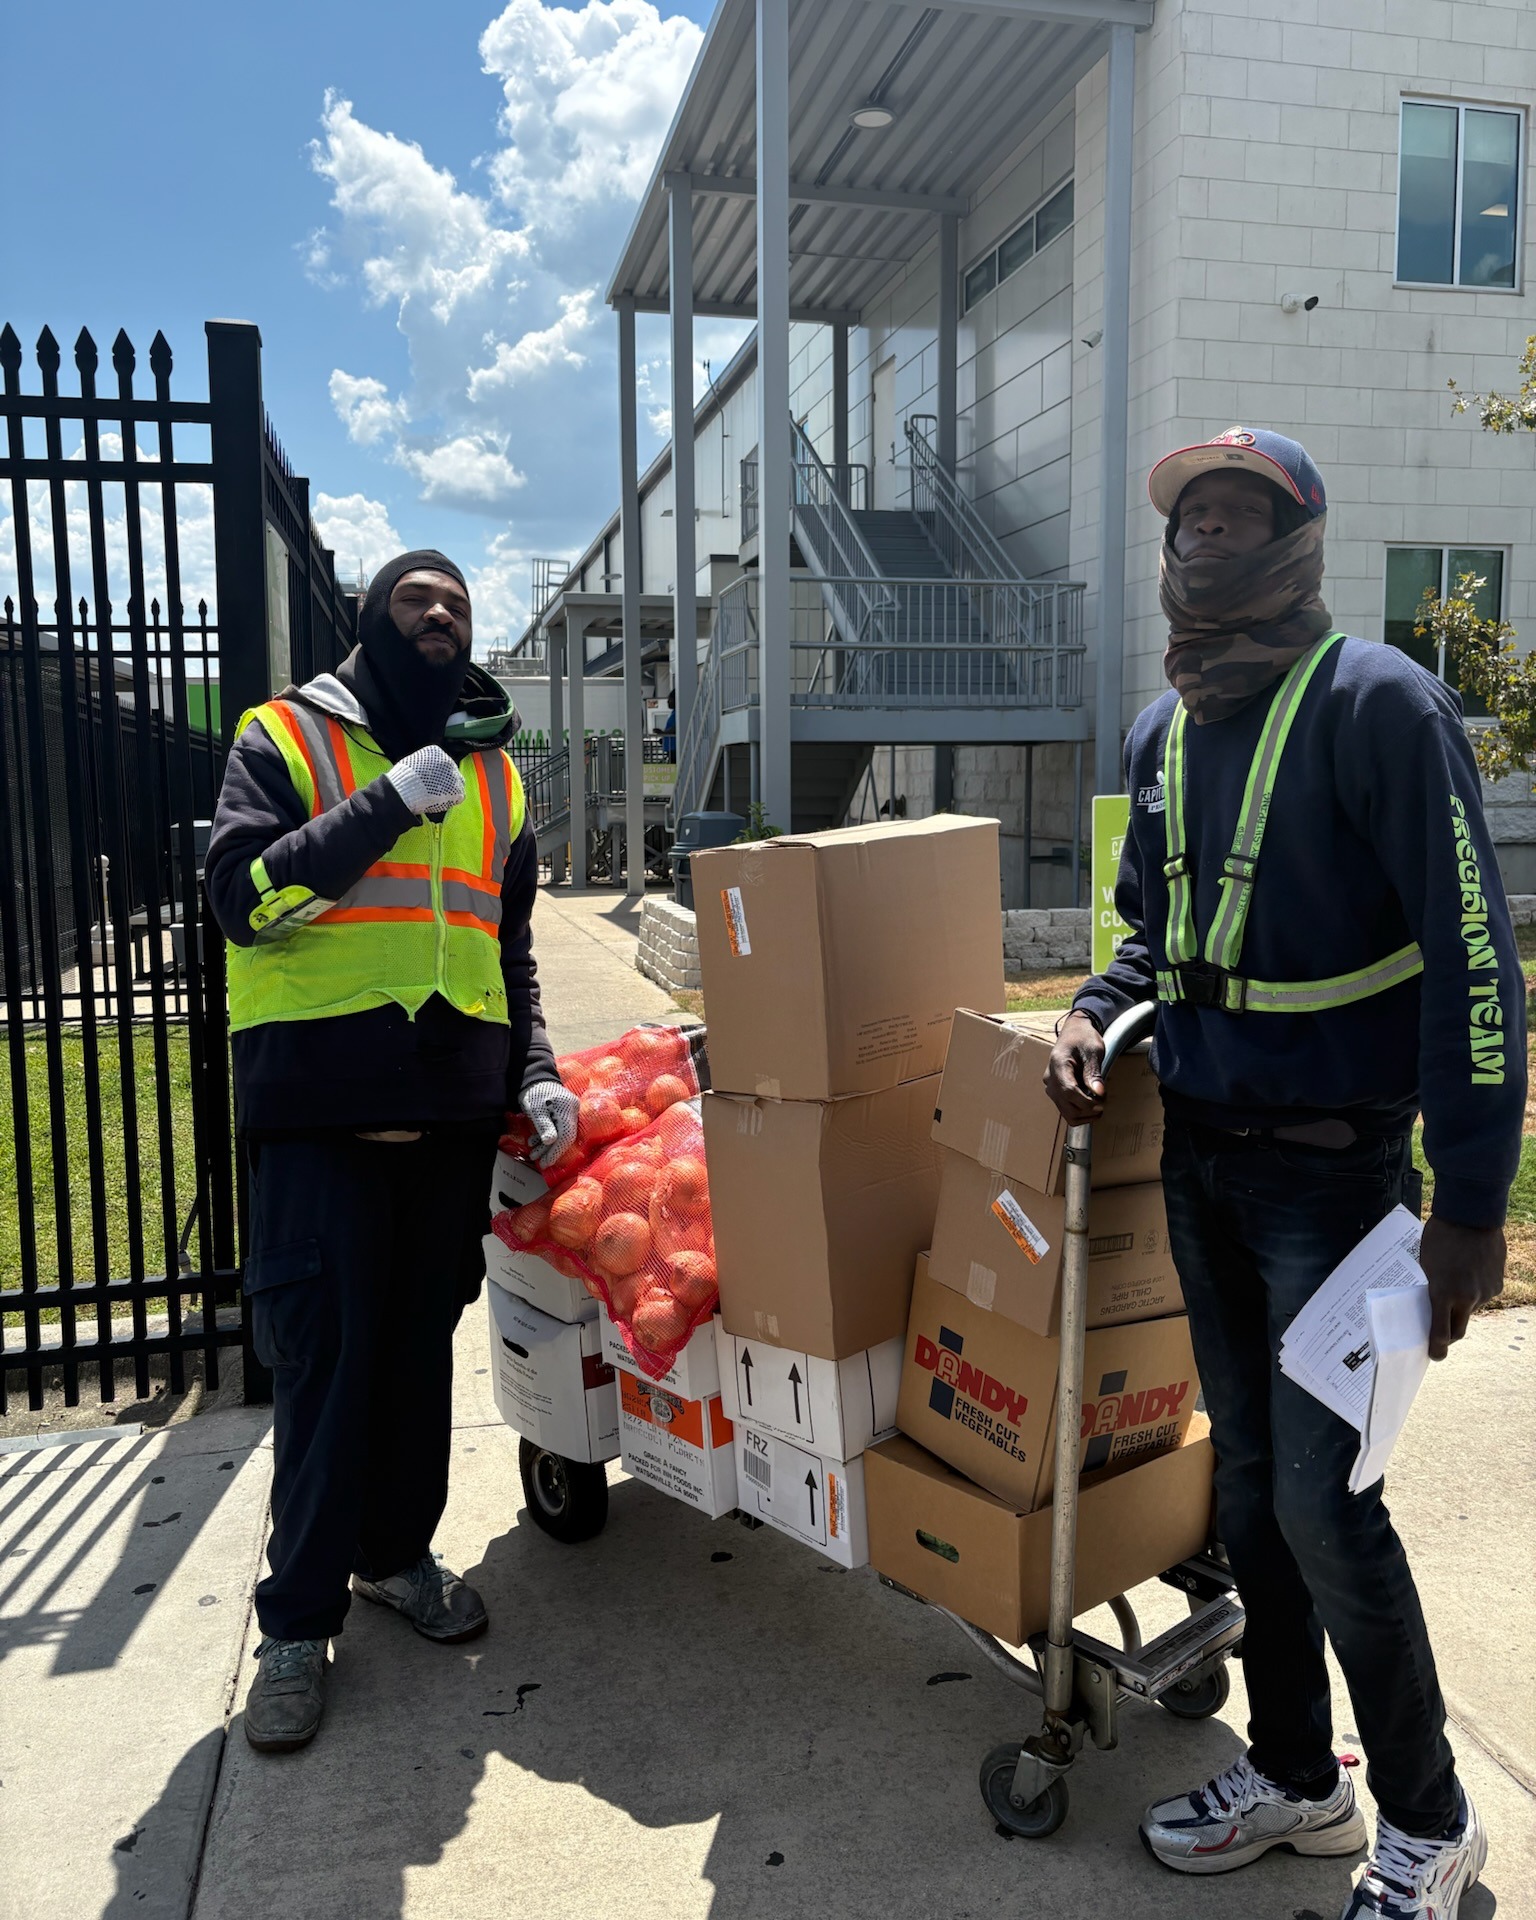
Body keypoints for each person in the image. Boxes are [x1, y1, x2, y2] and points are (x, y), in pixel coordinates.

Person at [1045, 430, 1521, 1919]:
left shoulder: (1382, 704)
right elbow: (1153, 933)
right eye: (1190, 516)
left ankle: (1431, 1824)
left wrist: (1471, 1204)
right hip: (1204, 1170)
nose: (1206, 535)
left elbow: (1476, 962)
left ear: (1298, 540)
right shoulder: (1161, 729)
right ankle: (1301, 1779)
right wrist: (1093, 1009)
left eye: (1239, 514)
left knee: (1328, 1506)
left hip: (1339, 1189)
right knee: (1247, 1495)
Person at [207, 550, 580, 1753]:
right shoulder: (285, 737)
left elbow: (506, 950)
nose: (440, 612)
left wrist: (534, 1071)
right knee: (325, 1374)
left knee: (418, 1361)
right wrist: (382, 806)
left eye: (457, 602)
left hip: (448, 1123)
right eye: (415, 598)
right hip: (320, 1119)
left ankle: (395, 1558)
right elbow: (239, 899)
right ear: (369, 620)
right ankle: (293, 1626)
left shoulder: (496, 777)